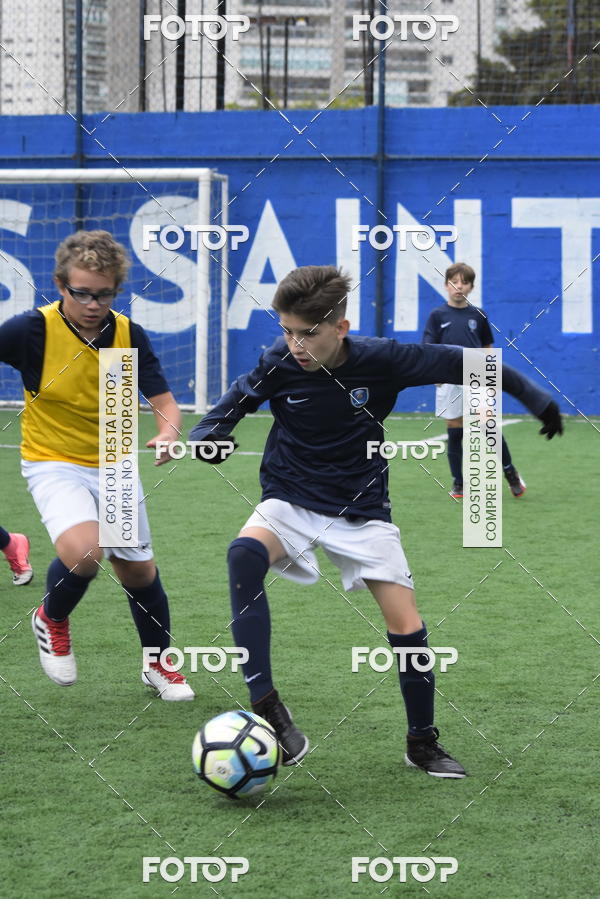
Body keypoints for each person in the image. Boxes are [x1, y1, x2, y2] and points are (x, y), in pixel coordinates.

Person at [189, 265, 562, 777]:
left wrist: (537, 400)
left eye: (308, 332)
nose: (295, 344)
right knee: (243, 554)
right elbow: (220, 416)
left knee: (406, 627)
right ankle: (268, 706)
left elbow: (476, 363)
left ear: (339, 328)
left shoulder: (383, 359)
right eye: (287, 331)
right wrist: (210, 440)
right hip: (290, 499)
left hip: (361, 511)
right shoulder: (278, 360)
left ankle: (422, 743)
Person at [0, 230, 193, 700]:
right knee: (87, 553)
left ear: (116, 289)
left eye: (102, 294)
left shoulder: (126, 335)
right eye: (80, 292)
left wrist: (168, 432)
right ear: (60, 284)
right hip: (53, 460)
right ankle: (51, 618)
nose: (91, 303)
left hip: (115, 460)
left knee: (139, 573)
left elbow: (164, 401)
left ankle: (157, 665)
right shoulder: (32, 331)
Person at [422, 262, 526, 499]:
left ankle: (510, 473)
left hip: (475, 374)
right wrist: (433, 374)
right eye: (454, 282)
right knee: (454, 428)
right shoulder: (437, 315)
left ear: (471, 287)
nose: (459, 287)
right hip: (447, 375)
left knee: (487, 424)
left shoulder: (478, 314)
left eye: (464, 282)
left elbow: (487, 347)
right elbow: (428, 348)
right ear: (446, 285)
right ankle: (459, 482)